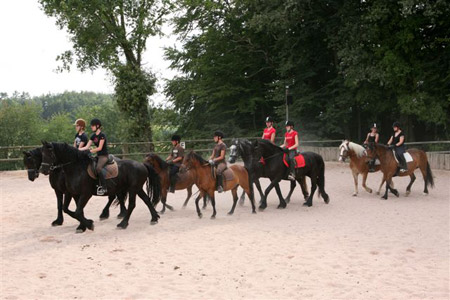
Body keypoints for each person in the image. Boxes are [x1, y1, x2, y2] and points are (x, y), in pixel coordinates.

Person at [79, 118, 109, 195]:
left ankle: (104, 187)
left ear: (97, 126)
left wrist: (90, 151)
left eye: (93, 126)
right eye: (91, 126)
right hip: (97, 155)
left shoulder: (102, 135)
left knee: (98, 168)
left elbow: (100, 148)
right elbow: (86, 147)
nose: (91, 127)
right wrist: (78, 149)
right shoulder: (93, 136)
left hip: (104, 156)